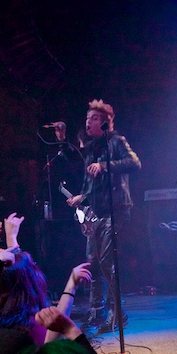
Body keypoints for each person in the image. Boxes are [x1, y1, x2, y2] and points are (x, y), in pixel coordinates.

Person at [62, 99, 141, 334]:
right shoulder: (92, 147)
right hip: (96, 212)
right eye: (87, 118)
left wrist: (105, 165)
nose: (88, 121)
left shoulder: (116, 141)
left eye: (94, 118)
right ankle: (97, 310)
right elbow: (81, 169)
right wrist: (81, 197)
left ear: (105, 122)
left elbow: (134, 163)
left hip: (115, 211)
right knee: (93, 262)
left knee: (107, 262)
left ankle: (118, 313)